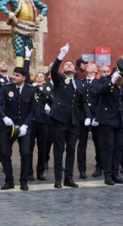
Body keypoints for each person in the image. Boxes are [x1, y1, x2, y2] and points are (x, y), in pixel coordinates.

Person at [0, 49, 37, 190]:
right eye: (13, 74)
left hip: (24, 127)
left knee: (26, 153)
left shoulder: (31, 90)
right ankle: (9, 181)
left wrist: (26, 125)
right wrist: (4, 117)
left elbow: (33, 110)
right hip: (8, 126)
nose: (13, 77)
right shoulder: (6, 89)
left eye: (17, 75)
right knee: (5, 153)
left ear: (24, 77)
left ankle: (24, 181)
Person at [48, 44, 82, 188]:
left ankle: (69, 178)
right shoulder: (60, 80)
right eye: (66, 64)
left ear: (75, 70)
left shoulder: (80, 84)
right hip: (60, 119)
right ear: (63, 70)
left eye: (71, 64)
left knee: (71, 150)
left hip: (74, 121)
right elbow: (54, 70)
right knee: (59, 149)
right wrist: (61, 55)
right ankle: (58, 179)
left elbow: (83, 102)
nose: (68, 65)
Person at [77, 61, 101, 179]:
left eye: (92, 65)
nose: (88, 66)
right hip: (83, 117)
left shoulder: (99, 83)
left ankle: (99, 167)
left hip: (96, 117)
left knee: (99, 143)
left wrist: (97, 116)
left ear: (96, 71)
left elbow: (101, 101)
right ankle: (82, 169)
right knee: (82, 144)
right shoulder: (81, 83)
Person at [32, 71, 55, 181]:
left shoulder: (47, 91)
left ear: (45, 81)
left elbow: (53, 101)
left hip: (44, 122)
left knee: (42, 149)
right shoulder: (31, 89)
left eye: (41, 77)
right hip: (32, 122)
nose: (39, 78)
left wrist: (43, 91)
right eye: (37, 76)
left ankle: (40, 172)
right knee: (28, 149)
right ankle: (29, 172)